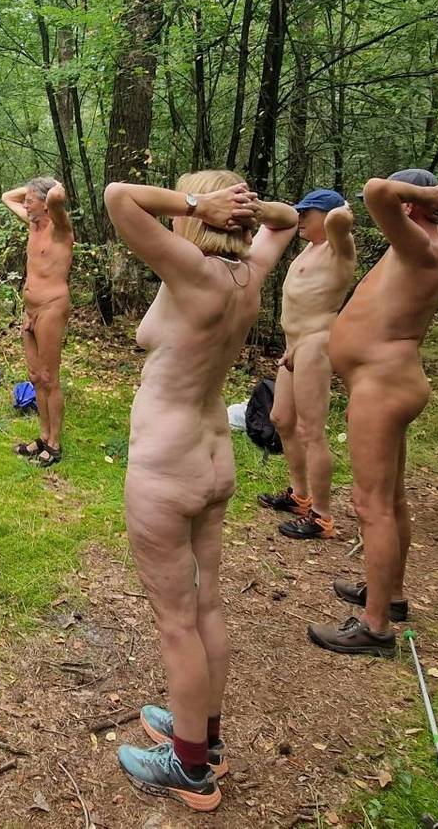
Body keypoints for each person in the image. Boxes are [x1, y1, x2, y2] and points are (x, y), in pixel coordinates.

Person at [107, 172, 297, 812]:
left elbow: (117, 197)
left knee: (177, 622)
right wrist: (248, 211)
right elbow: (288, 221)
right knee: (206, 606)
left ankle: (188, 768)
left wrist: (200, 204)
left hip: (168, 466)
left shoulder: (191, 271)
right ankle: (202, 738)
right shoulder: (248, 275)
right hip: (212, 459)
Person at [306, 170, 438, 657]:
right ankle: (389, 595)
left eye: (405, 199)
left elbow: (376, 190)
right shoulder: (419, 245)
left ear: (411, 205)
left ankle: (374, 628)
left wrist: (423, 194)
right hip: (384, 381)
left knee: (371, 506)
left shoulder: (423, 245)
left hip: (384, 384)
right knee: (390, 497)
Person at [258, 190, 356, 540]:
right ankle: (300, 496)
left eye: (307, 213)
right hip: (294, 344)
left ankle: (322, 517)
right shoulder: (310, 247)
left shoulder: (339, 247)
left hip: (316, 344)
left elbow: (341, 220)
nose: (299, 219)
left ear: (326, 216)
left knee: (310, 431)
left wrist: (342, 207)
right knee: (281, 419)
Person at [2, 178, 74, 466]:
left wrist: (52, 184)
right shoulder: (33, 225)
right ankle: (43, 437)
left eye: (30, 200)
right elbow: (7, 196)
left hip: (51, 307)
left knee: (49, 378)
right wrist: (32, 189)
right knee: (34, 377)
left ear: (45, 204)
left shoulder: (60, 228)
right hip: (29, 311)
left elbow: (56, 197)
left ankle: (54, 444)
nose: (25, 204)